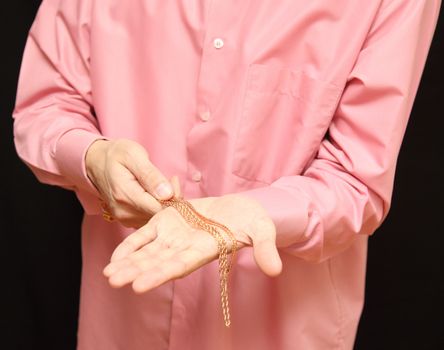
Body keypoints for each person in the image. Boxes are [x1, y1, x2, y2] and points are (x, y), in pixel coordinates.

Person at [12, 0, 440, 349]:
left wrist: (258, 213)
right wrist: (91, 158)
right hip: (122, 321)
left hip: (281, 332)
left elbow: (356, 178)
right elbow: (44, 106)